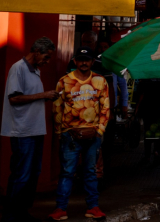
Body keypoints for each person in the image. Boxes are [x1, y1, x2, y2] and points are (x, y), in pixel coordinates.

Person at [0, 37, 57, 222]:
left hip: (35, 130)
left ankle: (22, 212)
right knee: (21, 174)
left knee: (33, 174)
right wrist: (43, 95)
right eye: (46, 57)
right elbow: (14, 98)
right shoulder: (19, 68)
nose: (47, 61)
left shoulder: (35, 71)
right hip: (22, 131)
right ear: (37, 52)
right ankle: (10, 215)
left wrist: (44, 97)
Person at [49, 48, 110, 221]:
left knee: (90, 171)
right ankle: (60, 209)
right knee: (67, 172)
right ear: (75, 61)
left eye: (87, 60)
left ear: (92, 62)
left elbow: (105, 107)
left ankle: (93, 207)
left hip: (93, 136)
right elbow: (57, 108)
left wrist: (99, 131)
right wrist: (60, 132)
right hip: (70, 135)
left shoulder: (100, 81)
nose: (84, 63)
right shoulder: (64, 82)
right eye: (80, 59)